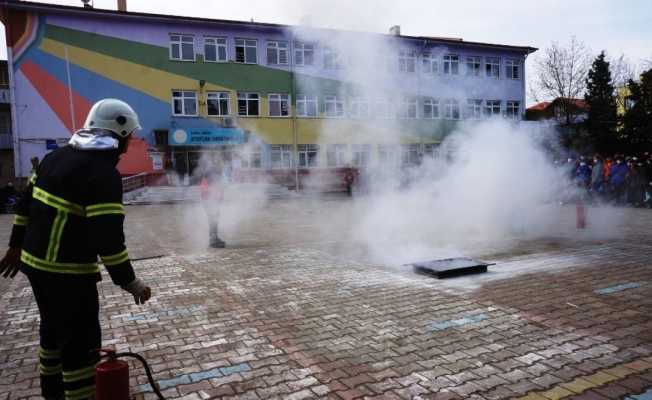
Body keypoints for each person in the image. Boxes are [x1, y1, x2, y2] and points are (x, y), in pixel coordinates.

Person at [0, 98, 152, 400]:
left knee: (52, 330)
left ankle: (53, 393)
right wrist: (129, 281)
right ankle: (80, 395)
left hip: (35, 265)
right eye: (129, 135)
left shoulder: (55, 157)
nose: (130, 141)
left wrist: (15, 246)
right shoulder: (101, 173)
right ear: (118, 133)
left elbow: (24, 205)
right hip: (66, 273)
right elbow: (107, 239)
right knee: (80, 343)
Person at [200, 170, 225, 248]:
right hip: (209, 204)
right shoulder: (206, 182)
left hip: (212, 203)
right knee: (213, 221)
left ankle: (214, 238)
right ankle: (213, 240)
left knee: (214, 221)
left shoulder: (208, 182)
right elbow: (207, 193)